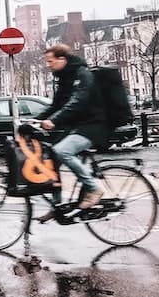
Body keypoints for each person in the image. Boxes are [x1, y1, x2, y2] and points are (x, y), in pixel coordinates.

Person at [34, 43, 109, 223]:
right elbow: (56, 105)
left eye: (50, 61)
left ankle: (93, 188)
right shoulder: (64, 77)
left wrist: (53, 121)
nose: (48, 65)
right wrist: (34, 121)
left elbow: (77, 102)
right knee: (52, 158)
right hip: (78, 125)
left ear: (62, 59)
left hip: (93, 125)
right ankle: (57, 206)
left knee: (62, 151)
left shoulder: (82, 74)